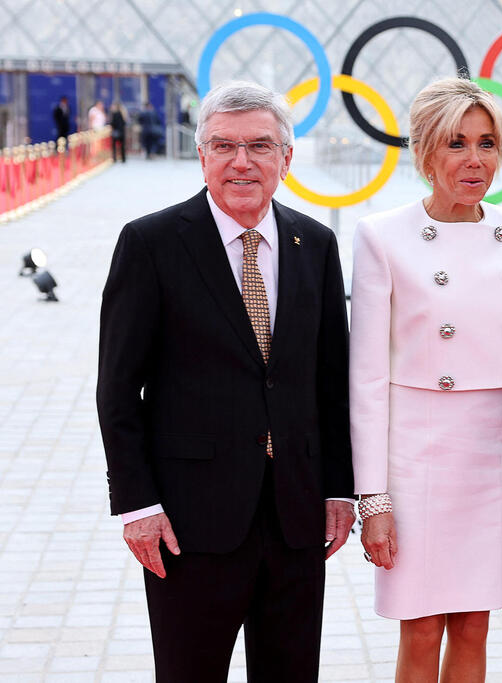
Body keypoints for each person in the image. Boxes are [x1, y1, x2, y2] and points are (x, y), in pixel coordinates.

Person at [97, 80, 354, 681]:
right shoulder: (151, 243)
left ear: (285, 159)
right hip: (189, 522)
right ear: (202, 155)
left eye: (260, 146)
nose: (242, 162)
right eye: (224, 146)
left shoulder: (314, 244)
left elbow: (331, 380)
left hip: (295, 519)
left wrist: (339, 488)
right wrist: (137, 504)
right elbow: (117, 389)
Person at [350, 77, 502, 682]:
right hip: (417, 460)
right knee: (422, 624)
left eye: (488, 143)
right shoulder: (382, 235)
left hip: (490, 457)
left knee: (476, 622)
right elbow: (366, 379)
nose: (475, 159)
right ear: (426, 153)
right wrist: (372, 498)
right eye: (457, 143)